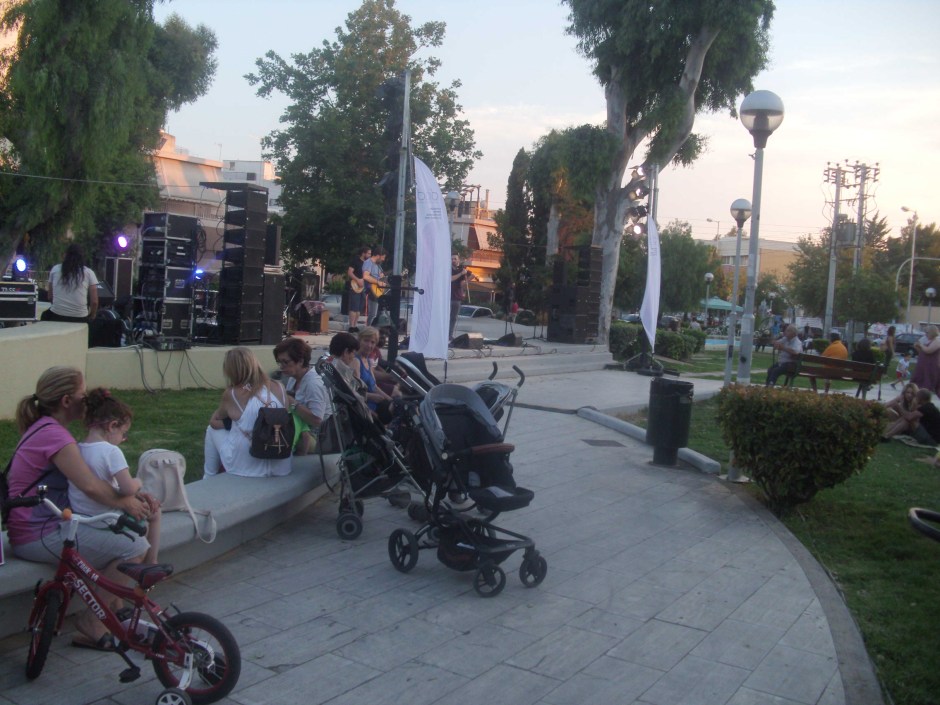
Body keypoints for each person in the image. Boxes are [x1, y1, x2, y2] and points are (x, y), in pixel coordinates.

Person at [7, 367, 154, 649]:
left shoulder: (46, 428)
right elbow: (90, 486)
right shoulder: (55, 436)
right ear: (66, 401)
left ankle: (113, 605)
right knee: (135, 547)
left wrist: (130, 498)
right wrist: (127, 502)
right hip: (37, 535)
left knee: (118, 535)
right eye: (81, 394)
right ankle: (92, 622)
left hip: (37, 526)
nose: (86, 399)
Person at [75, 388, 161, 564]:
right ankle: (152, 564)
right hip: (106, 518)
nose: (123, 439)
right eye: (123, 433)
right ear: (112, 426)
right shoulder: (111, 451)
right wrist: (138, 481)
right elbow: (128, 488)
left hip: (82, 517)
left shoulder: (77, 449)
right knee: (155, 512)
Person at [204, 347, 292, 477]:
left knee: (211, 430)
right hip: (281, 460)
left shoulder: (232, 393)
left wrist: (234, 422)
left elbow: (215, 421)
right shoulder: (279, 387)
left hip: (248, 466)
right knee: (239, 424)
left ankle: (208, 476)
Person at [273, 337, 330, 456]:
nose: (281, 366)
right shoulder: (294, 378)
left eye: (285, 362)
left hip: (318, 436)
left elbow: (317, 421)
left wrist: (293, 403)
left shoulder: (313, 384)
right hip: (301, 428)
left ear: (300, 361)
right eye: (279, 362)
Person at [41, 243, 99, 323]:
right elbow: (94, 302)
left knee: (44, 316)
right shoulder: (89, 273)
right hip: (80, 318)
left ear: (65, 255)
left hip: (57, 316)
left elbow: (50, 297)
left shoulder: (55, 269)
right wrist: (92, 316)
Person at [356, 327, 400, 414]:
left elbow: (374, 387)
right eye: (366, 341)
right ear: (359, 340)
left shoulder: (368, 360)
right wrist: (371, 397)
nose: (369, 345)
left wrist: (391, 401)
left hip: (374, 402)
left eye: (372, 342)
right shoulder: (356, 361)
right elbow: (353, 391)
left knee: (400, 406)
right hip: (365, 407)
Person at [346, 245, 371, 331]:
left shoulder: (368, 264)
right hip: (355, 285)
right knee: (354, 307)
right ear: (363, 253)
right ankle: (351, 326)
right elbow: (350, 272)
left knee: (359, 309)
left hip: (363, 287)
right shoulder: (355, 261)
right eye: (368, 253)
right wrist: (357, 280)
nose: (370, 255)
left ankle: (355, 325)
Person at [911, 324, 940, 395]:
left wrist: (921, 345)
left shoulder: (937, 341)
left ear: (932, 332)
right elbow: (922, 352)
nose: (926, 334)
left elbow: (928, 350)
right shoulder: (927, 341)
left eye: (927, 332)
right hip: (923, 365)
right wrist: (917, 346)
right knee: (918, 382)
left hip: (931, 366)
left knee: (928, 383)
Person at [363, 246, 388, 325]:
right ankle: (369, 329)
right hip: (371, 291)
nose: (383, 259)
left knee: (379, 314)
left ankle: (374, 329)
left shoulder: (378, 265)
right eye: (383, 257)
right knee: (372, 314)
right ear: (378, 255)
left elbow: (380, 277)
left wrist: (383, 279)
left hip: (377, 291)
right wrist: (378, 282)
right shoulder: (368, 262)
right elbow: (365, 276)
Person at [449, 254, 471, 340]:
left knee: (453, 318)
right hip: (448, 297)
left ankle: (450, 335)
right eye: (452, 259)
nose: (453, 260)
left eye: (455, 259)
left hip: (457, 298)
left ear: (458, 260)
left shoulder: (461, 270)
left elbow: (462, 284)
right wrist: (461, 273)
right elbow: (450, 279)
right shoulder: (448, 269)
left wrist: (468, 278)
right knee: (446, 317)